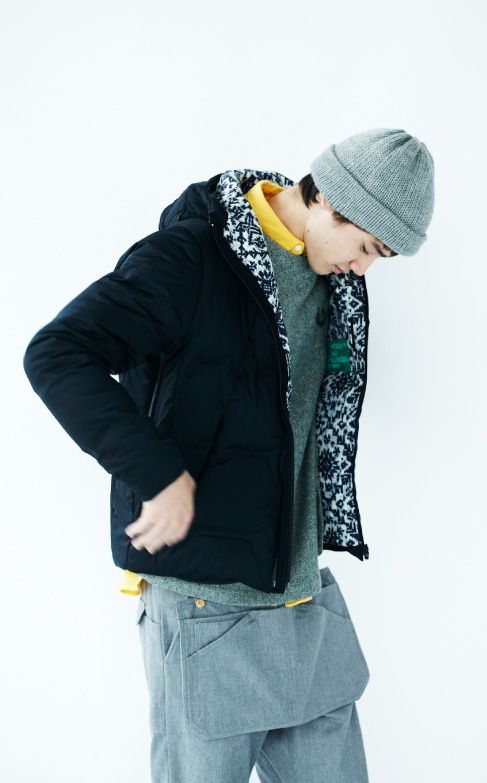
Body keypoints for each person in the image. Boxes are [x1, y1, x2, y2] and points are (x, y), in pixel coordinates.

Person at [23, 127, 435, 782]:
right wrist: (157, 473)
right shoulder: (190, 259)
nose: (363, 269)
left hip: (300, 596)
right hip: (204, 605)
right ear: (328, 200)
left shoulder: (333, 282)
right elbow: (57, 353)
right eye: (366, 247)